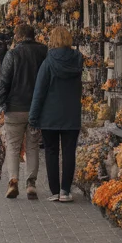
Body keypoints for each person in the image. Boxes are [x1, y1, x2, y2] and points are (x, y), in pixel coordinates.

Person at [29, 25, 83, 203]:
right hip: (71, 114)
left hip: (49, 116)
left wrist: (34, 117)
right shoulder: (77, 61)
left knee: (51, 152)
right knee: (69, 152)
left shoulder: (48, 62)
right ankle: (65, 191)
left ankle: (54, 191)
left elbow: (39, 91)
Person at [0, 24, 48, 200]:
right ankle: (31, 184)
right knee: (33, 145)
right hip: (36, 108)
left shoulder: (13, 54)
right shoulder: (43, 52)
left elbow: (4, 81)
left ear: (18, 36)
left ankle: (13, 181)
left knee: (13, 145)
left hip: (15, 108)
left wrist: (1, 103)